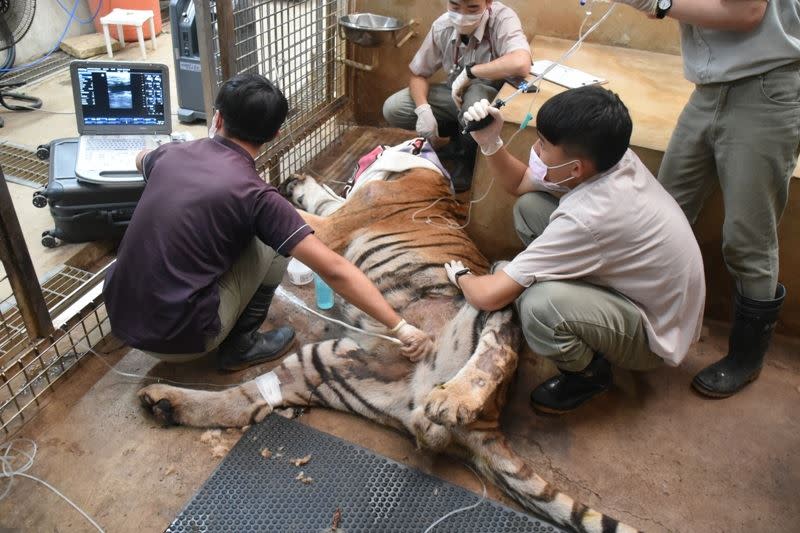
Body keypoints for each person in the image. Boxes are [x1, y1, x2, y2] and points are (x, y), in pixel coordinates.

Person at [103, 74, 433, 371]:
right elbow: (333, 268)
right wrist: (399, 327)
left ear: (217, 118)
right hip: (181, 342)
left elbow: (140, 159)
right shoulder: (257, 196)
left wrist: (157, 155)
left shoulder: (170, 154)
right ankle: (241, 346)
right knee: (272, 242)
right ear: (275, 134)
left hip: (118, 316)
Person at [444, 86, 705, 414]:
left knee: (538, 304)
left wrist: (462, 275)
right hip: (647, 291)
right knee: (530, 207)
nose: (536, 150)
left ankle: (588, 375)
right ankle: (566, 298)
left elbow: (487, 296)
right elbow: (520, 184)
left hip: (653, 333)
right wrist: (490, 141)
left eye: (543, 145)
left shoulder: (589, 215)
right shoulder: (611, 158)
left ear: (576, 167)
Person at [612, 0, 799, 397]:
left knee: (748, 237)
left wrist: (660, 3)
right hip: (708, 88)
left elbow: (749, 12)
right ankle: (639, 328)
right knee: (663, 211)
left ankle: (746, 357)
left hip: (766, 87)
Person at [382, 0, 531, 192]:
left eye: (472, 8)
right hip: (454, 93)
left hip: (488, 95)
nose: (462, 15)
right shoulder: (442, 26)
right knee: (394, 108)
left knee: (475, 104)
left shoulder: (502, 19)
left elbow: (521, 63)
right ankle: (455, 138)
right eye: (454, 6)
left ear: (488, 3)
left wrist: (472, 72)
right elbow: (418, 74)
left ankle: (467, 160)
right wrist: (423, 110)